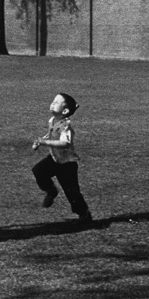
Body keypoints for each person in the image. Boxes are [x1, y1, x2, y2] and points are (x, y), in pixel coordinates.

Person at [31, 93, 92, 224]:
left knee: (72, 193)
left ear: (64, 111)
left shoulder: (65, 126)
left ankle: (84, 214)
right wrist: (41, 140)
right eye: (53, 101)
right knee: (38, 171)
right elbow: (51, 133)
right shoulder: (52, 120)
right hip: (54, 159)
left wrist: (44, 143)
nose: (52, 103)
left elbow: (65, 143)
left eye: (56, 102)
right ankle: (51, 190)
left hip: (67, 165)